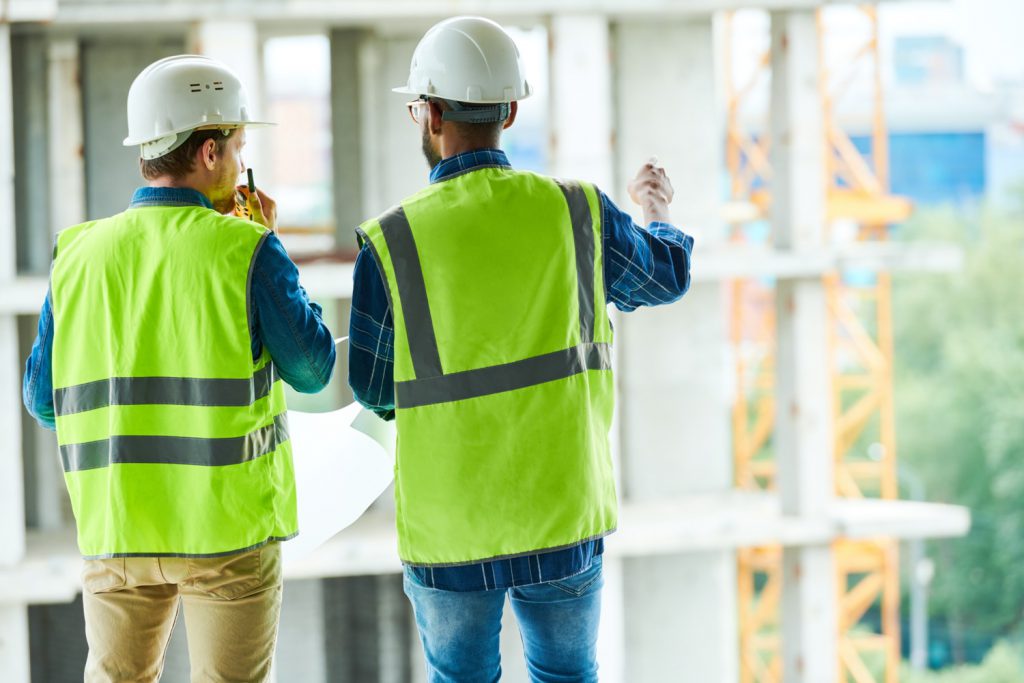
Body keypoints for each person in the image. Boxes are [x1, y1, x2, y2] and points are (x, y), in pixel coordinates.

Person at [348, 16, 694, 682]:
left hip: (450, 531)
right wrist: (656, 210)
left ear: (429, 113)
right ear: (510, 109)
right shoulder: (576, 210)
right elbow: (665, 276)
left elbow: (371, 387)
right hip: (562, 514)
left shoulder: (391, 242)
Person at [22, 54, 335, 683]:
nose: (244, 164)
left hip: (118, 530)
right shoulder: (246, 246)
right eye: (240, 147)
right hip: (228, 534)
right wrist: (263, 246)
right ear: (211, 153)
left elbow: (42, 398)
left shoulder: (76, 253)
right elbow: (312, 368)